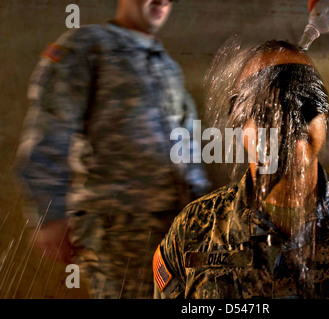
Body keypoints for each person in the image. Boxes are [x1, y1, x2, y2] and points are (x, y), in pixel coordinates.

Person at [154, 40, 329, 299]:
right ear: (239, 126)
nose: (291, 121)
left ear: (325, 116)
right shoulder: (193, 230)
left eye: (307, 101)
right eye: (268, 108)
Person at [16, 0, 210, 299]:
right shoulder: (88, 46)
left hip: (177, 229)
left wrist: (203, 212)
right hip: (120, 231)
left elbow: (187, 146)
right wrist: (50, 213)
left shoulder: (165, 63)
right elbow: (49, 130)